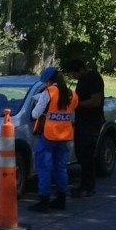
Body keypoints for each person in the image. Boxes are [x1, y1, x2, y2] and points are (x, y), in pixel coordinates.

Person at [29, 67, 79, 213]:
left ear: (49, 81)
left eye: (46, 82)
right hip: (64, 136)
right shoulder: (72, 94)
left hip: (48, 136)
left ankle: (44, 201)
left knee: (44, 168)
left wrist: (38, 107)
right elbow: (71, 114)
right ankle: (61, 199)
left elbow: (35, 113)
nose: (45, 85)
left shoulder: (48, 92)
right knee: (61, 168)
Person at [62, 59, 104, 198]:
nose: (73, 77)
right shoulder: (82, 79)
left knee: (86, 155)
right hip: (81, 121)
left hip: (92, 122)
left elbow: (95, 101)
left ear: (81, 69)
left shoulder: (94, 78)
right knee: (80, 153)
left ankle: (88, 187)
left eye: (74, 74)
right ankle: (83, 185)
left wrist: (77, 105)